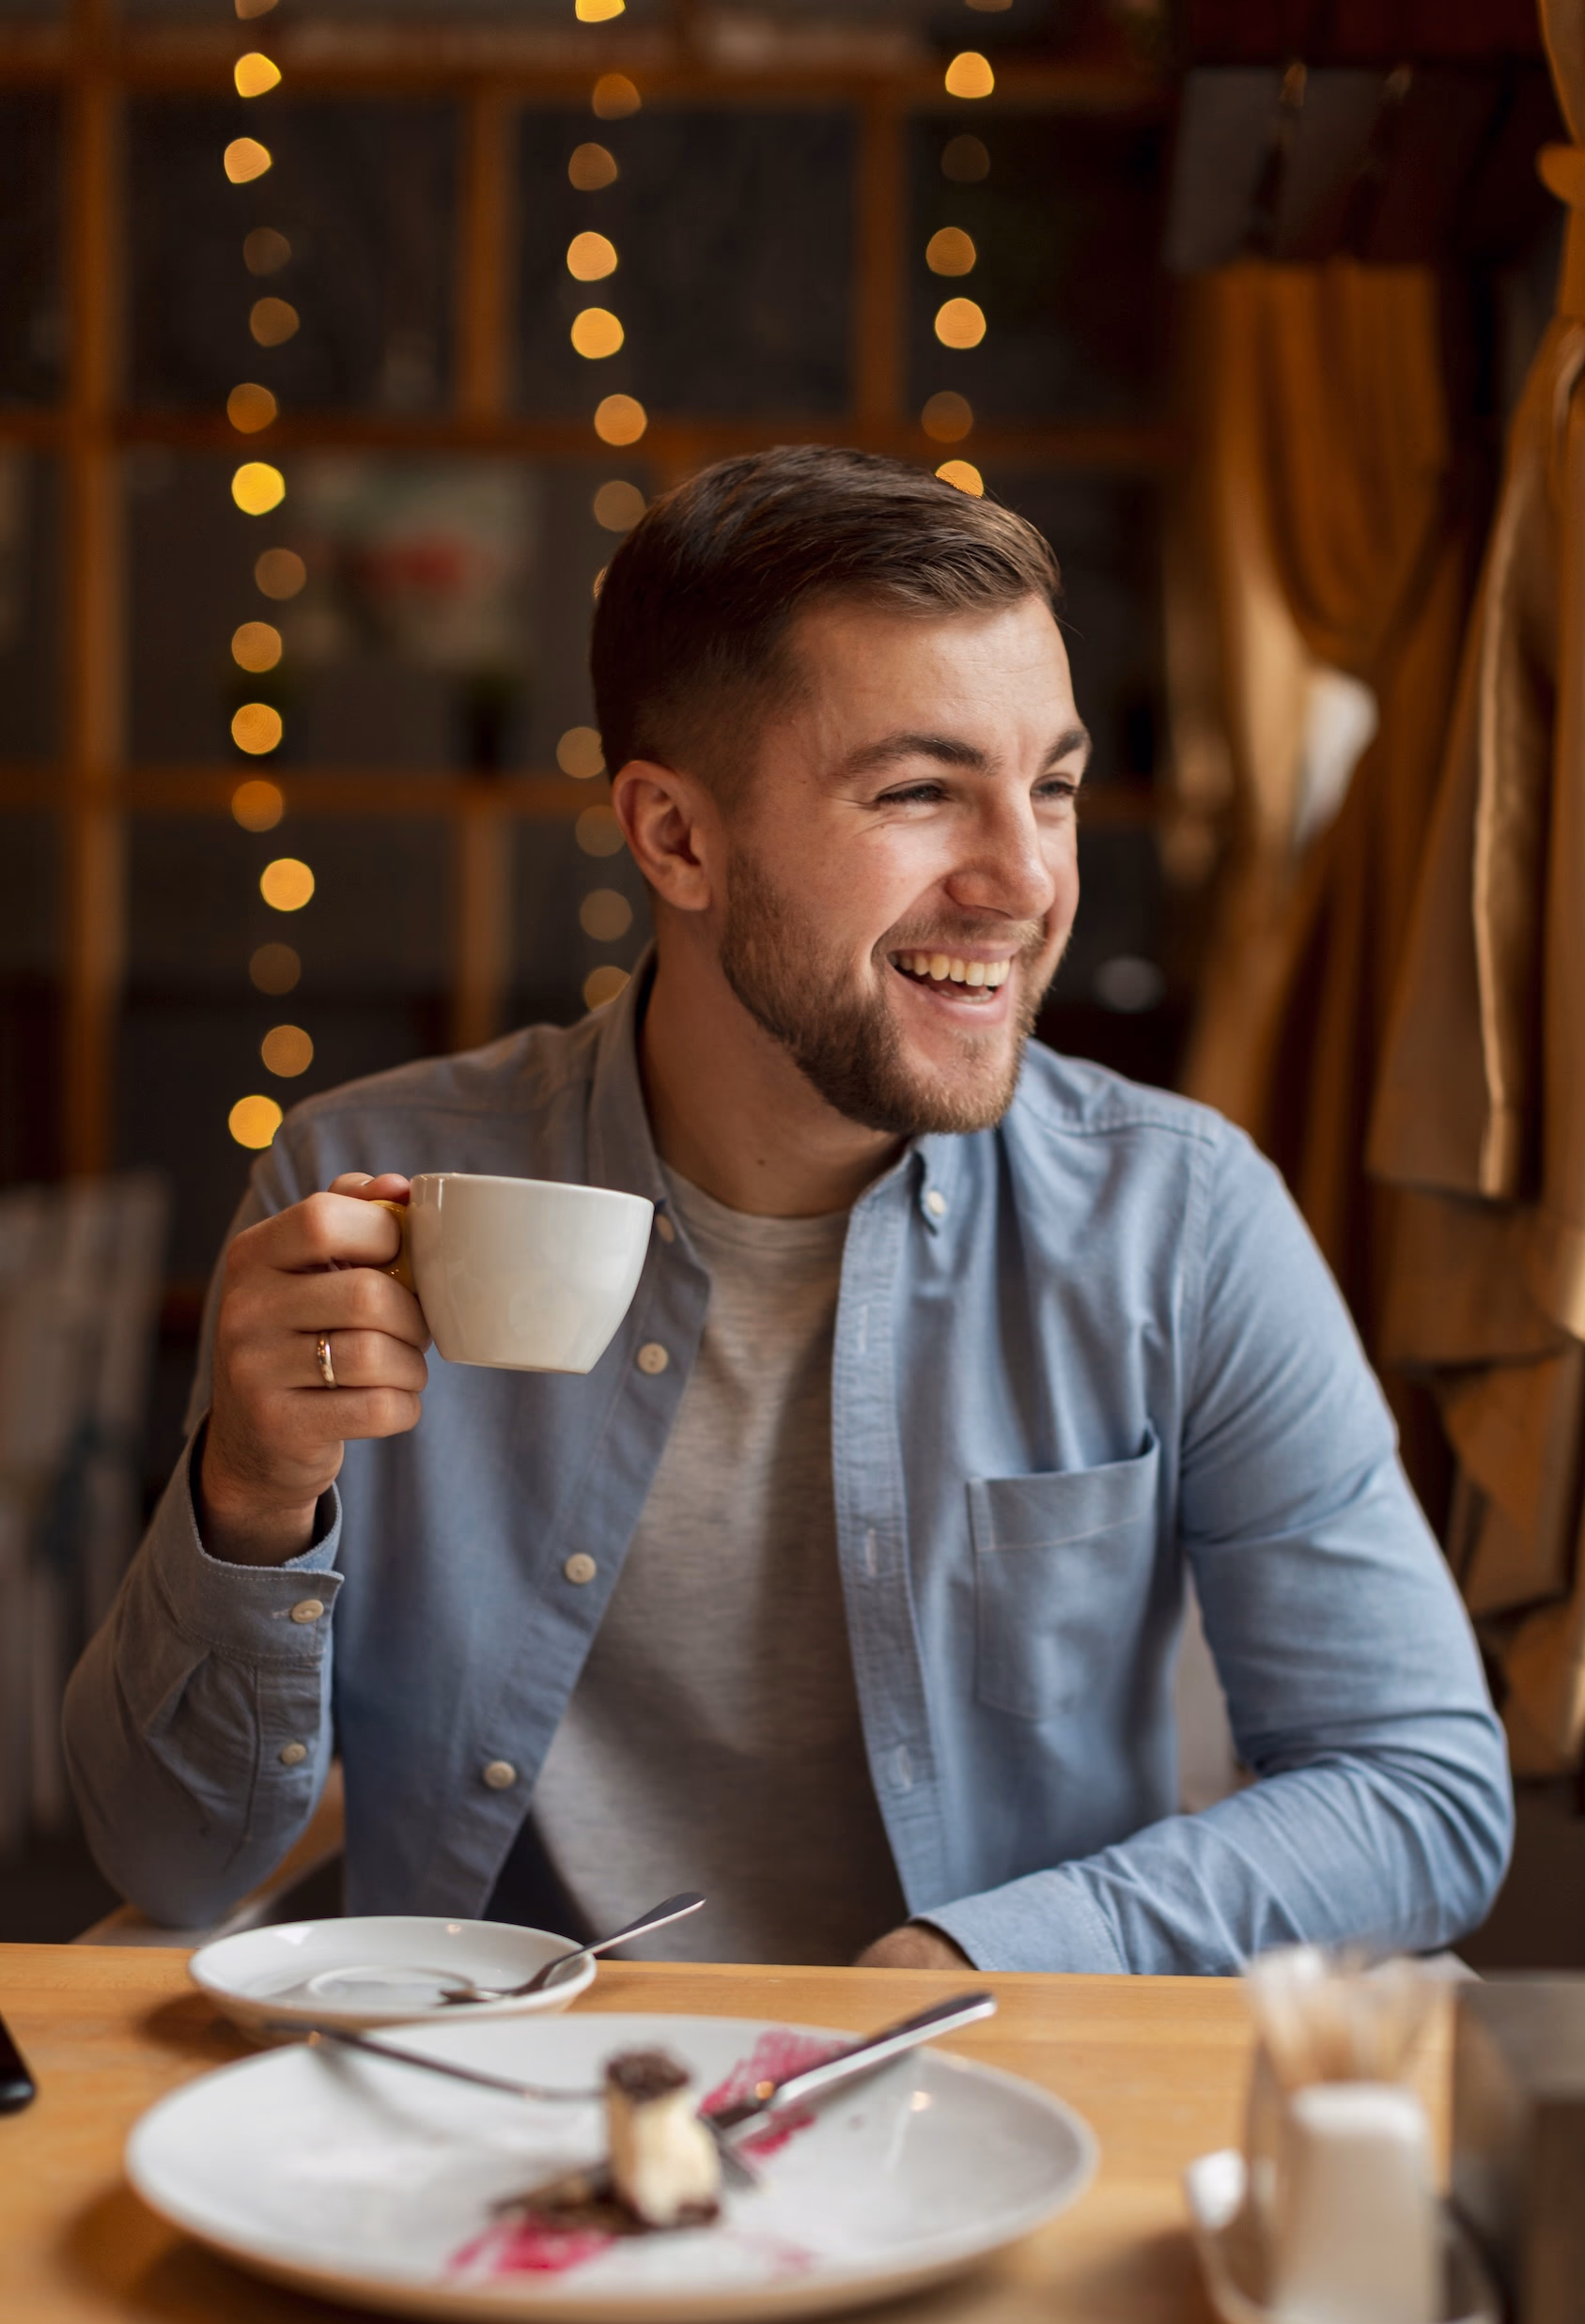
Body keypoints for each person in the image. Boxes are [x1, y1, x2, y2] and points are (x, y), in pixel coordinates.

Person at [65, 447, 1511, 1971]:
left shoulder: (1181, 1216)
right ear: (675, 837)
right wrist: (250, 1499)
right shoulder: (363, 1188)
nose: (1025, 880)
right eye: (920, 792)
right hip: (488, 2115)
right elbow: (168, 1863)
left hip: (976, 2109)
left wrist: (992, 1953)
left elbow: (1422, 1793)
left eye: (1055, 789)